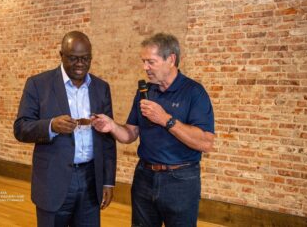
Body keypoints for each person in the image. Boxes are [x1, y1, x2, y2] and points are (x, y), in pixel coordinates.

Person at [92, 33, 215, 227]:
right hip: (144, 177)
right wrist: (112, 126)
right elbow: (130, 134)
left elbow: (206, 143)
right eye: (143, 61)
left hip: (181, 180)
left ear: (171, 59)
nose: (145, 68)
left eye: (151, 61)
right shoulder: (145, 92)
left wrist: (165, 119)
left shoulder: (194, 92)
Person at [14, 31, 116, 227]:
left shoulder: (101, 87)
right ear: (61, 55)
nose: (80, 64)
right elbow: (20, 128)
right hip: (53, 182)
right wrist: (51, 126)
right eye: (73, 58)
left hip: (90, 181)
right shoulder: (38, 84)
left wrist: (108, 181)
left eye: (85, 58)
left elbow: (107, 138)